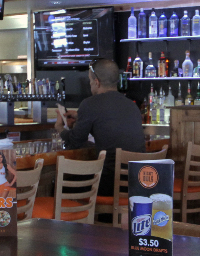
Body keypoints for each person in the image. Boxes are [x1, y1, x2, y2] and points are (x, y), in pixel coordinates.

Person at [55, 59, 145, 196]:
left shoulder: (90, 104)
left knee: (57, 188)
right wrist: (80, 117)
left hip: (109, 184)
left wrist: (60, 128)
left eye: (90, 81)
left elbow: (75, 141)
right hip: (137, 183)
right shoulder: (132, 106)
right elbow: (107, 119)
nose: (90, 84)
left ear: (96, 82)